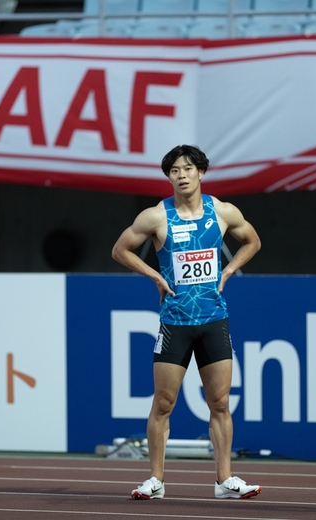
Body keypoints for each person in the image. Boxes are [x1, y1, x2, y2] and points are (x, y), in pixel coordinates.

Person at [112, 144, 262, 500]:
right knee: (163, 403)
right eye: (174, 171)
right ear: (168, 177)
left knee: (221, 403)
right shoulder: (156, 217)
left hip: (214, 319)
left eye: (188, 169)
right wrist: (155, 277)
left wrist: (229, 269)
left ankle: (224, 480)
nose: (182, 175)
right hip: (175, 322)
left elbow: (252, 241)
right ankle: (155, 480)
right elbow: (120, 250)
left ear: (201, 172)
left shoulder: (222, 211)